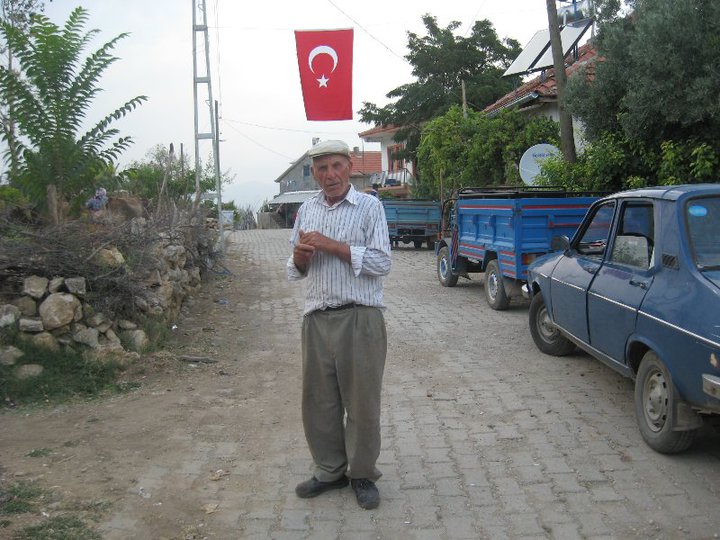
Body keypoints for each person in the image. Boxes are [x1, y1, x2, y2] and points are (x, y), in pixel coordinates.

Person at [287, 139, 392, 510]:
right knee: (319, 402)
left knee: (362, 403)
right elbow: (294, 270)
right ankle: (330, 471)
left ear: (349, 167)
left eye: (336, 166)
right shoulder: (307, 210)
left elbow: (381, 262)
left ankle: (361, 474)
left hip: (360, 316)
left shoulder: (369, 207)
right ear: (314, 173)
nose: (329, 174)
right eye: (321, 168)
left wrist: (331, 245)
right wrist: (301, 258)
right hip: (316, 318)